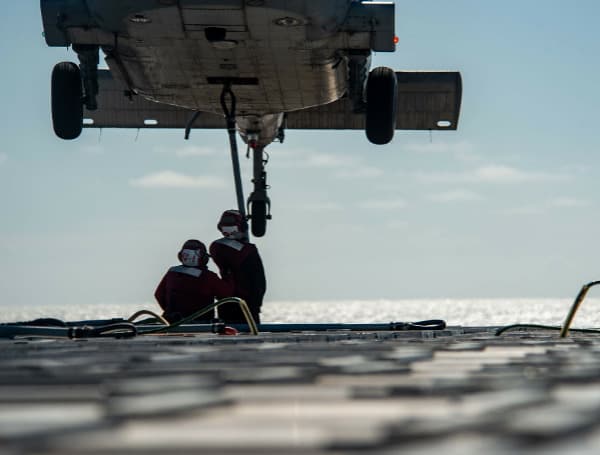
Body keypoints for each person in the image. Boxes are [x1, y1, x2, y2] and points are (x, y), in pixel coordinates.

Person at [155, 239, 234, 323]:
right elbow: (227, 294)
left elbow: (158, 295)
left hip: (171, 321)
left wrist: (170, 312)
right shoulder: (208, 276)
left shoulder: (172, 272)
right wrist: (229, 275)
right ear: (203, 257)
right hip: (200, 323)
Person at [210, 210, 266, 324]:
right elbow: (259, 280)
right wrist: (257, 303)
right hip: (247, 302)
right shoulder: (248, 251)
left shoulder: (216, 247)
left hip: (225, 300)